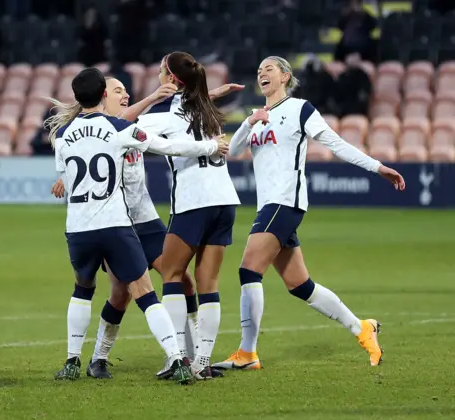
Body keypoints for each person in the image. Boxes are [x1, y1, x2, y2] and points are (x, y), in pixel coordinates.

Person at [212, 56, 405, 371]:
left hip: (285, 202)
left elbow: (336, 143)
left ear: (285, 76)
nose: (262, 73)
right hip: (270, 205)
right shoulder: (257, 115)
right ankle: (362, 327)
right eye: (259, 70)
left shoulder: (300, 109)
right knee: (301, 285)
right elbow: (232, 151)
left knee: (249, 270)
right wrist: (249, 122)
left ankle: (247, 354)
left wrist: (377, 167)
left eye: (269, 69)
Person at [48, 76, 243, 379]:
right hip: (114, 222)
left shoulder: (132, 124)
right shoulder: (118, 126)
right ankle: (99, 357)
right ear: (103, 96)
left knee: (181, 278)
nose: (125, 95)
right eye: (118, 91)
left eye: (127, 91)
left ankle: (191, 356)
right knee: (120, 294)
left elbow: (174, 118)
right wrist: (152, 97)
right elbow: (125, 123)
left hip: (144, 219)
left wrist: (208, 94)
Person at [135, 51, 241, 380]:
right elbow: (194, 102)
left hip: (193, 202)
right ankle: (202, 363)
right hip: (225, 200)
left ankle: (178, 357)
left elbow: (122, 124)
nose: (156, 75)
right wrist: (213, 93)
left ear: (170, 79)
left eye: (160, 70)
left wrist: (150, 100)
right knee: (208, 283)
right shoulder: (207, 108)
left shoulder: (166, 114)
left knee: (171, 273)